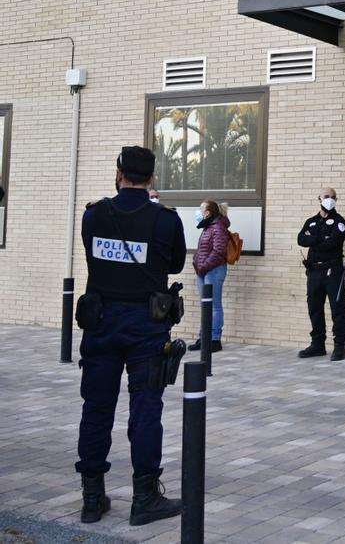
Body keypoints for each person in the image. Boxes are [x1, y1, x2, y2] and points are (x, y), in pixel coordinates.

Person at [77, 146, 186, 525]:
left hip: (102, 322)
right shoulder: (166, 220)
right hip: (145, 325)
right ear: (152, 178)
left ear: (118, 172)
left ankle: (92, 498)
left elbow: (92, 255)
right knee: (145, 411)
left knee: (96, 409)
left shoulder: (94, 214)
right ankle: (144, 498)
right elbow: (173, 264)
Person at [297, 187, 345, 361]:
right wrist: (321, 238)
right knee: (314, 308)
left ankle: (339, 346)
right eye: (327, 196)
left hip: (332, 270)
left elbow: (332, 243)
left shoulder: (339, 222)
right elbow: (301, 239)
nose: (330, 199)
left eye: (333, 197)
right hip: (314, 271)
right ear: (319, 198)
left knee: (338, 309)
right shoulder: (311, 221)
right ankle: (317, 344)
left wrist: (314, 239)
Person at [189, 199, 229, 353]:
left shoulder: (218, 227)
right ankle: (203, 338)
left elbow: (219, 252)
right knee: (206, 306)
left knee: (214, 306)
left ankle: (214, 340)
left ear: (208, 212)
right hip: (203, 271)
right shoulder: (208, 227)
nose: (198, 212)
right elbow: (203, 250)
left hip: (213, 271)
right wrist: (196, 263)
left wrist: (203, 266)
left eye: (200, 209)